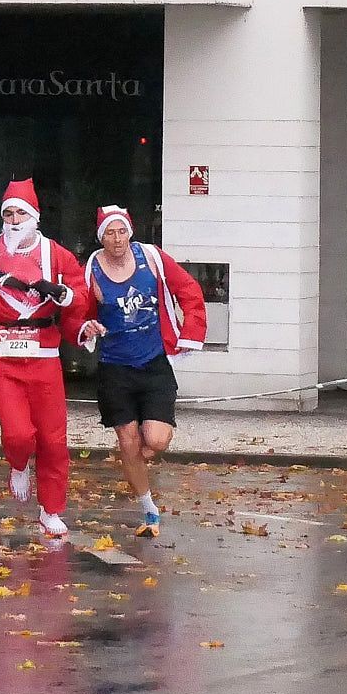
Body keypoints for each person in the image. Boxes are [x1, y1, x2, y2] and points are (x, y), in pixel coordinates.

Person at [0, 180, 91, 538]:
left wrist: (62, 295)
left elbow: (80, 294)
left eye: (21, 213)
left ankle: (51, 509)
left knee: (53, 439)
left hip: (44, 353)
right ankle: (18, 464)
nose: (14, 220)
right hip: (2, 353)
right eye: (8, 213)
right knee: (17, 433)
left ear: (34, 217)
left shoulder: (56, 254)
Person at [78, 205, 207, 538]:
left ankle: (133, 458)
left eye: (122, 231)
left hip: (153, 363)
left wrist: (191, 332)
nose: (117, 238)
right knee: (127, 439)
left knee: (155, 440)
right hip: (114, 368)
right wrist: (86, 327)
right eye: (110, 232)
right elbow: (78, 313)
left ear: (130, 233)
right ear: (101, 237)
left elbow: (189, 289)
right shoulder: (91, 270)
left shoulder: (151, 258)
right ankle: (149, 510)